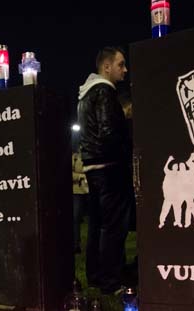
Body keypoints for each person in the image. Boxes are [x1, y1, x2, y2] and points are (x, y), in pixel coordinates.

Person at [77, 47, 132, 294]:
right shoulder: (104, 91)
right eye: (121, 64)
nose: (125, 69)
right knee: (114, 226)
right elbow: (109, 132)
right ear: (106, 67)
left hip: (93, 166)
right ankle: (112, 281)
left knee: (97, 224)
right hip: (109, 168)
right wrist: (125, 154)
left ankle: (96, 276)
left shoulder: (85, 94)